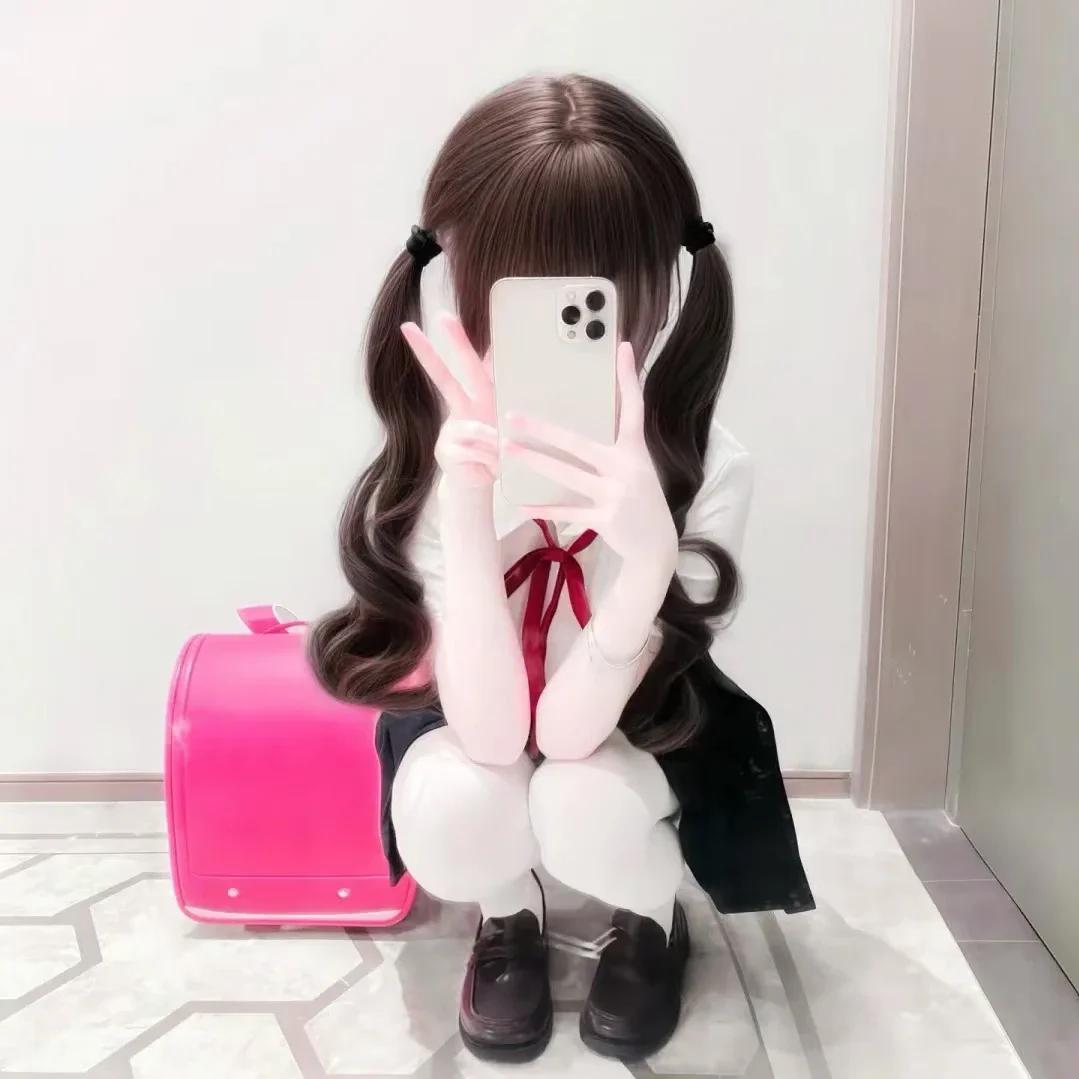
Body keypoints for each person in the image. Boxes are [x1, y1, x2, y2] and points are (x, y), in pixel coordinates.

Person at [310, 73, 814, 1064]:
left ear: (656, 286)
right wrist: (466, 506)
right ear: (456, 276)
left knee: (580, 795)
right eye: (519, 291)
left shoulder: (706, 469)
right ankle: (507, 913)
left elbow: (576, 732)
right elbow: (493, 733)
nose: (551, 327)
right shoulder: (433, 460)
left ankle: (650, 918)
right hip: (480, 717)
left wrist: (647, 552)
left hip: (630, 732)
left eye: (586, 296)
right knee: (456, 803)